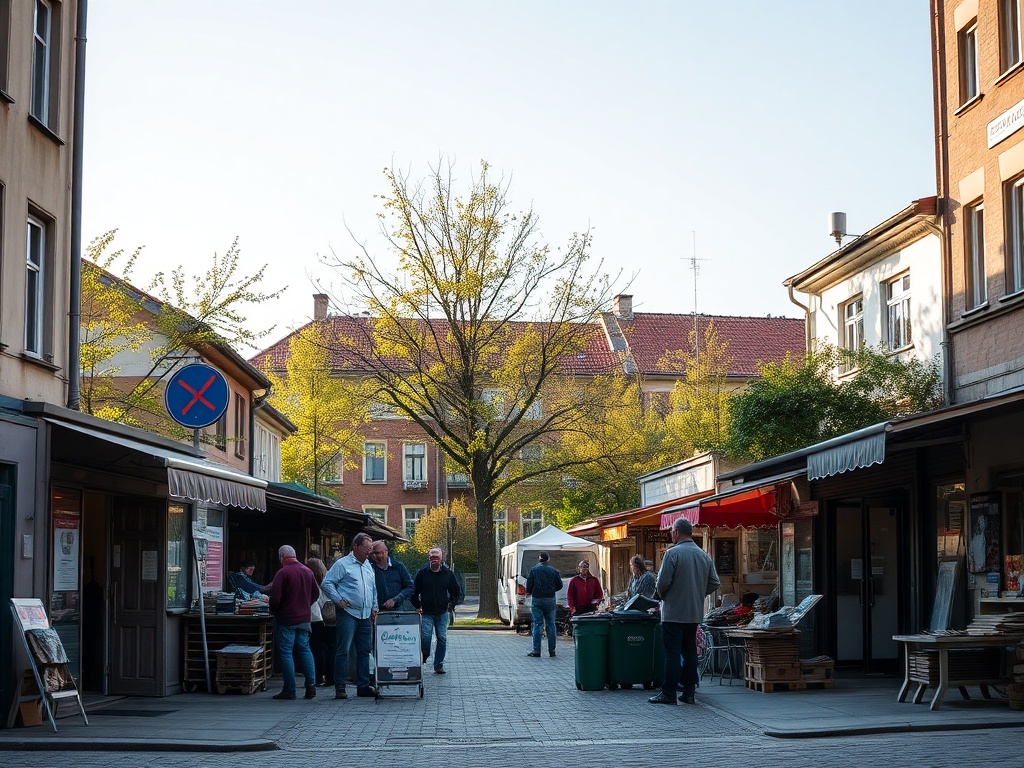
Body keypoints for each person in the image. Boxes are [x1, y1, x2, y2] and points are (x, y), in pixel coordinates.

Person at [649, 518, 720, 706]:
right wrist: (698, 593)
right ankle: (689, 693)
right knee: (690, 652)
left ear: (676, 532)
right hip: (694, 612)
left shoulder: (672, 553)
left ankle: (668, 693)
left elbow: (662, 583)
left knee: (672, 653)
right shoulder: (703, 555)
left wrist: (663, 596)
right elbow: (715, 582)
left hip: (673, 612)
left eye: (671, 531)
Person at [321, 532, 378, 699]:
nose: (369, 552)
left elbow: (372, 588)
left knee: (364, 650)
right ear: (355, 546)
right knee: (343, 650)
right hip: (348, 613)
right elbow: (326, 583)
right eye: (366, 548)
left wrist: (374, 606)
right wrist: (338, 600)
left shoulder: (368, 565)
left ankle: (363, 686)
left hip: (365, 614)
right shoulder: (342, 564)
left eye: (370, 549)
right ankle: (340, 687)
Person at [267, 545, 320, 701]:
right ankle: (311, 686)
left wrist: (275, 610)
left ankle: (290, 690)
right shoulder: (308, 571)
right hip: (304, 618)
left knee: (286, 652)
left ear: (282, 557)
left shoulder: (282, 573)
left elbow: (275, 598)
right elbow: (316, 593)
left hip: (287, 618)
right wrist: (305, 605)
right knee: (305, 649)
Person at [411, 547, 461, 674]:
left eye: (436, 557)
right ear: (429, 558)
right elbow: (413, 592)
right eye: (431, 557)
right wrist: (418, 605)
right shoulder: (422, 573)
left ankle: (438, 664)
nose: (434, 560)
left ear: (441, 558)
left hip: (442, 612)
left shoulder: (448, 574)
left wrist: (451, 604)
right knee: (426, 638)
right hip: (426, 612)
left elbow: (456, 592)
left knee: (442, 638)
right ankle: (425, 655)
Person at [525, 552, 563, 658]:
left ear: (539, 559)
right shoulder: (554, 571)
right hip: (550, 599)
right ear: (548, 559)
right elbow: (559, 585)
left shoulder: (534, 570)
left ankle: (536, 650)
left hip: (537, 600)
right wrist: (551, 589)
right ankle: (552, 650)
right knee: (551, 624)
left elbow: (529, 587)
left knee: (538, 624)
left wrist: (533, 591)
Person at [306, 556, 335, 687]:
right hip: (330, 618)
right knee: (330, 648)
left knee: (316, 648)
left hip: (315, 617)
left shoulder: (311, 582)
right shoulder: (329, 580)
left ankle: (318, 677)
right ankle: (330, 677)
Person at [370, 540, 415, 611]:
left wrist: (396, 599)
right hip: (377, 611)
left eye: (377, 553)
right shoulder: (370, 568)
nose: (374, 556)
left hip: (398, 611)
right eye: (372, 554)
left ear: (385, 553)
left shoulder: (398, 566)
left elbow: (410, 587)